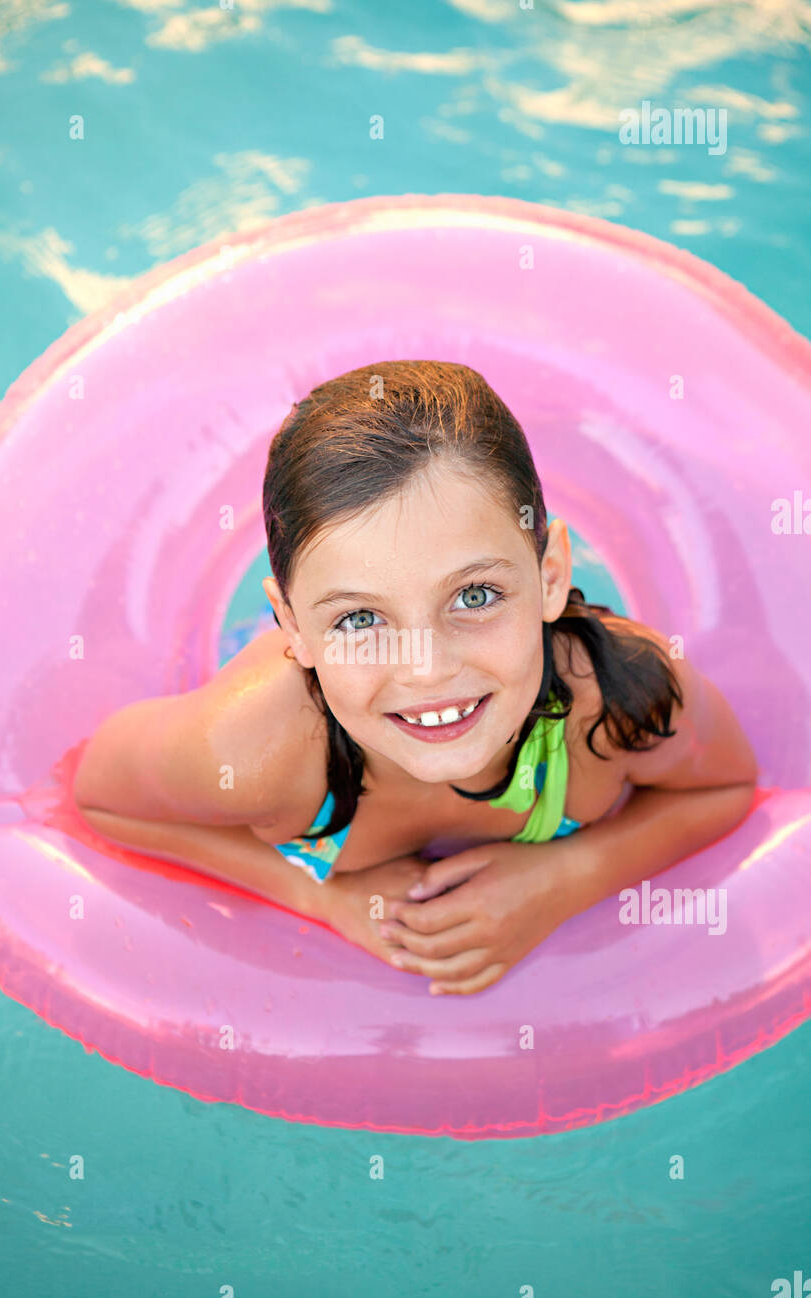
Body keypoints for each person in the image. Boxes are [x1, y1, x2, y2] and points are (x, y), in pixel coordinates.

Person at [74, 361, 757, 995]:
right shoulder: (254, 753)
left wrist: (569, 877)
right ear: (292, 627)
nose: (428, 670)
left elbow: (725, 784)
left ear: (550, 575)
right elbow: (104, 796)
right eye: (360, 619)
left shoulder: (610, 700)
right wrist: (321, 897)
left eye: (476, 596)